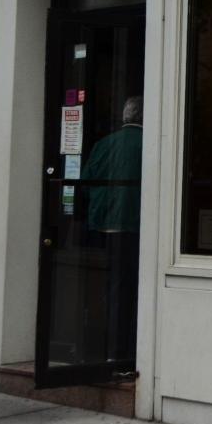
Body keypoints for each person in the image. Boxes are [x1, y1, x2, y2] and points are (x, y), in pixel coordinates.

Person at [80, 96, 142, 363]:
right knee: (129, 291)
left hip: (103, 226)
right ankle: (122, 353)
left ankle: (104, 350)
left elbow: (85, 183)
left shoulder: (103, 144)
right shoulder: (148, 144)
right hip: (133, 226)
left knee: (109, 289)